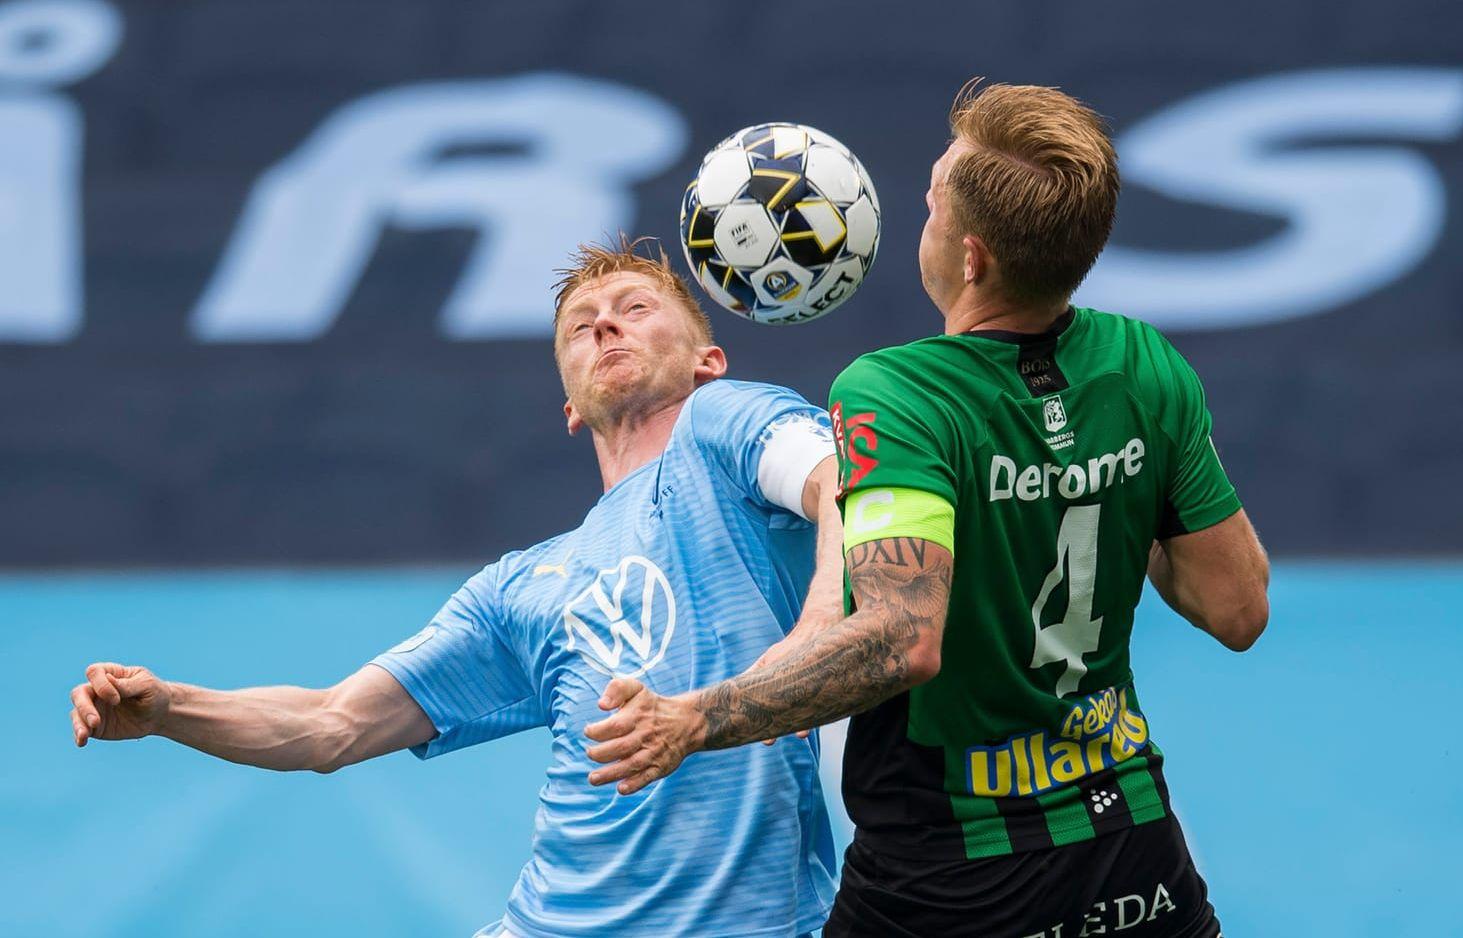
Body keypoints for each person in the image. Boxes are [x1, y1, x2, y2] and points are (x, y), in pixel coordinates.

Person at [585, 83, 1270, 937]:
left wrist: (695, 719)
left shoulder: (895, 393)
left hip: (951, 874)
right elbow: (1237, 608)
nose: (922, 202)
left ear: (971, 257)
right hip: (1134, 854)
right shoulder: (1144, 365)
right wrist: (1093, 474)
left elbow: (901, 641)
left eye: (936, 196)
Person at [68, 237, 843, 938]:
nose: (606, 326)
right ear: (569, 406)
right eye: (581, 325)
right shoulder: (521, 585)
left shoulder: (725, 422)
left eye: (635, 309)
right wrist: (172, 708)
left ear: (708, 359)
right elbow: (330, 724)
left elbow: (851, 484)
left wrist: (817, 627)